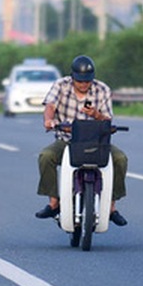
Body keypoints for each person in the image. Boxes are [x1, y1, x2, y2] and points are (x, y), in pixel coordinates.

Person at [35, 55, 128, 226]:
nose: (84, 85)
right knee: (46, 156)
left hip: (96, 143)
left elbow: (107, 120)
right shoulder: (61, 86)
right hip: (67, 142)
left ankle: (111, 207)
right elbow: (50, 106)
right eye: (80, 81)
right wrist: (49, 120)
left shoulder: (102, 90)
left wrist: (95, 115)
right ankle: (54, 202)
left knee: (120, 159)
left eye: (87, 81)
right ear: (73, 77)